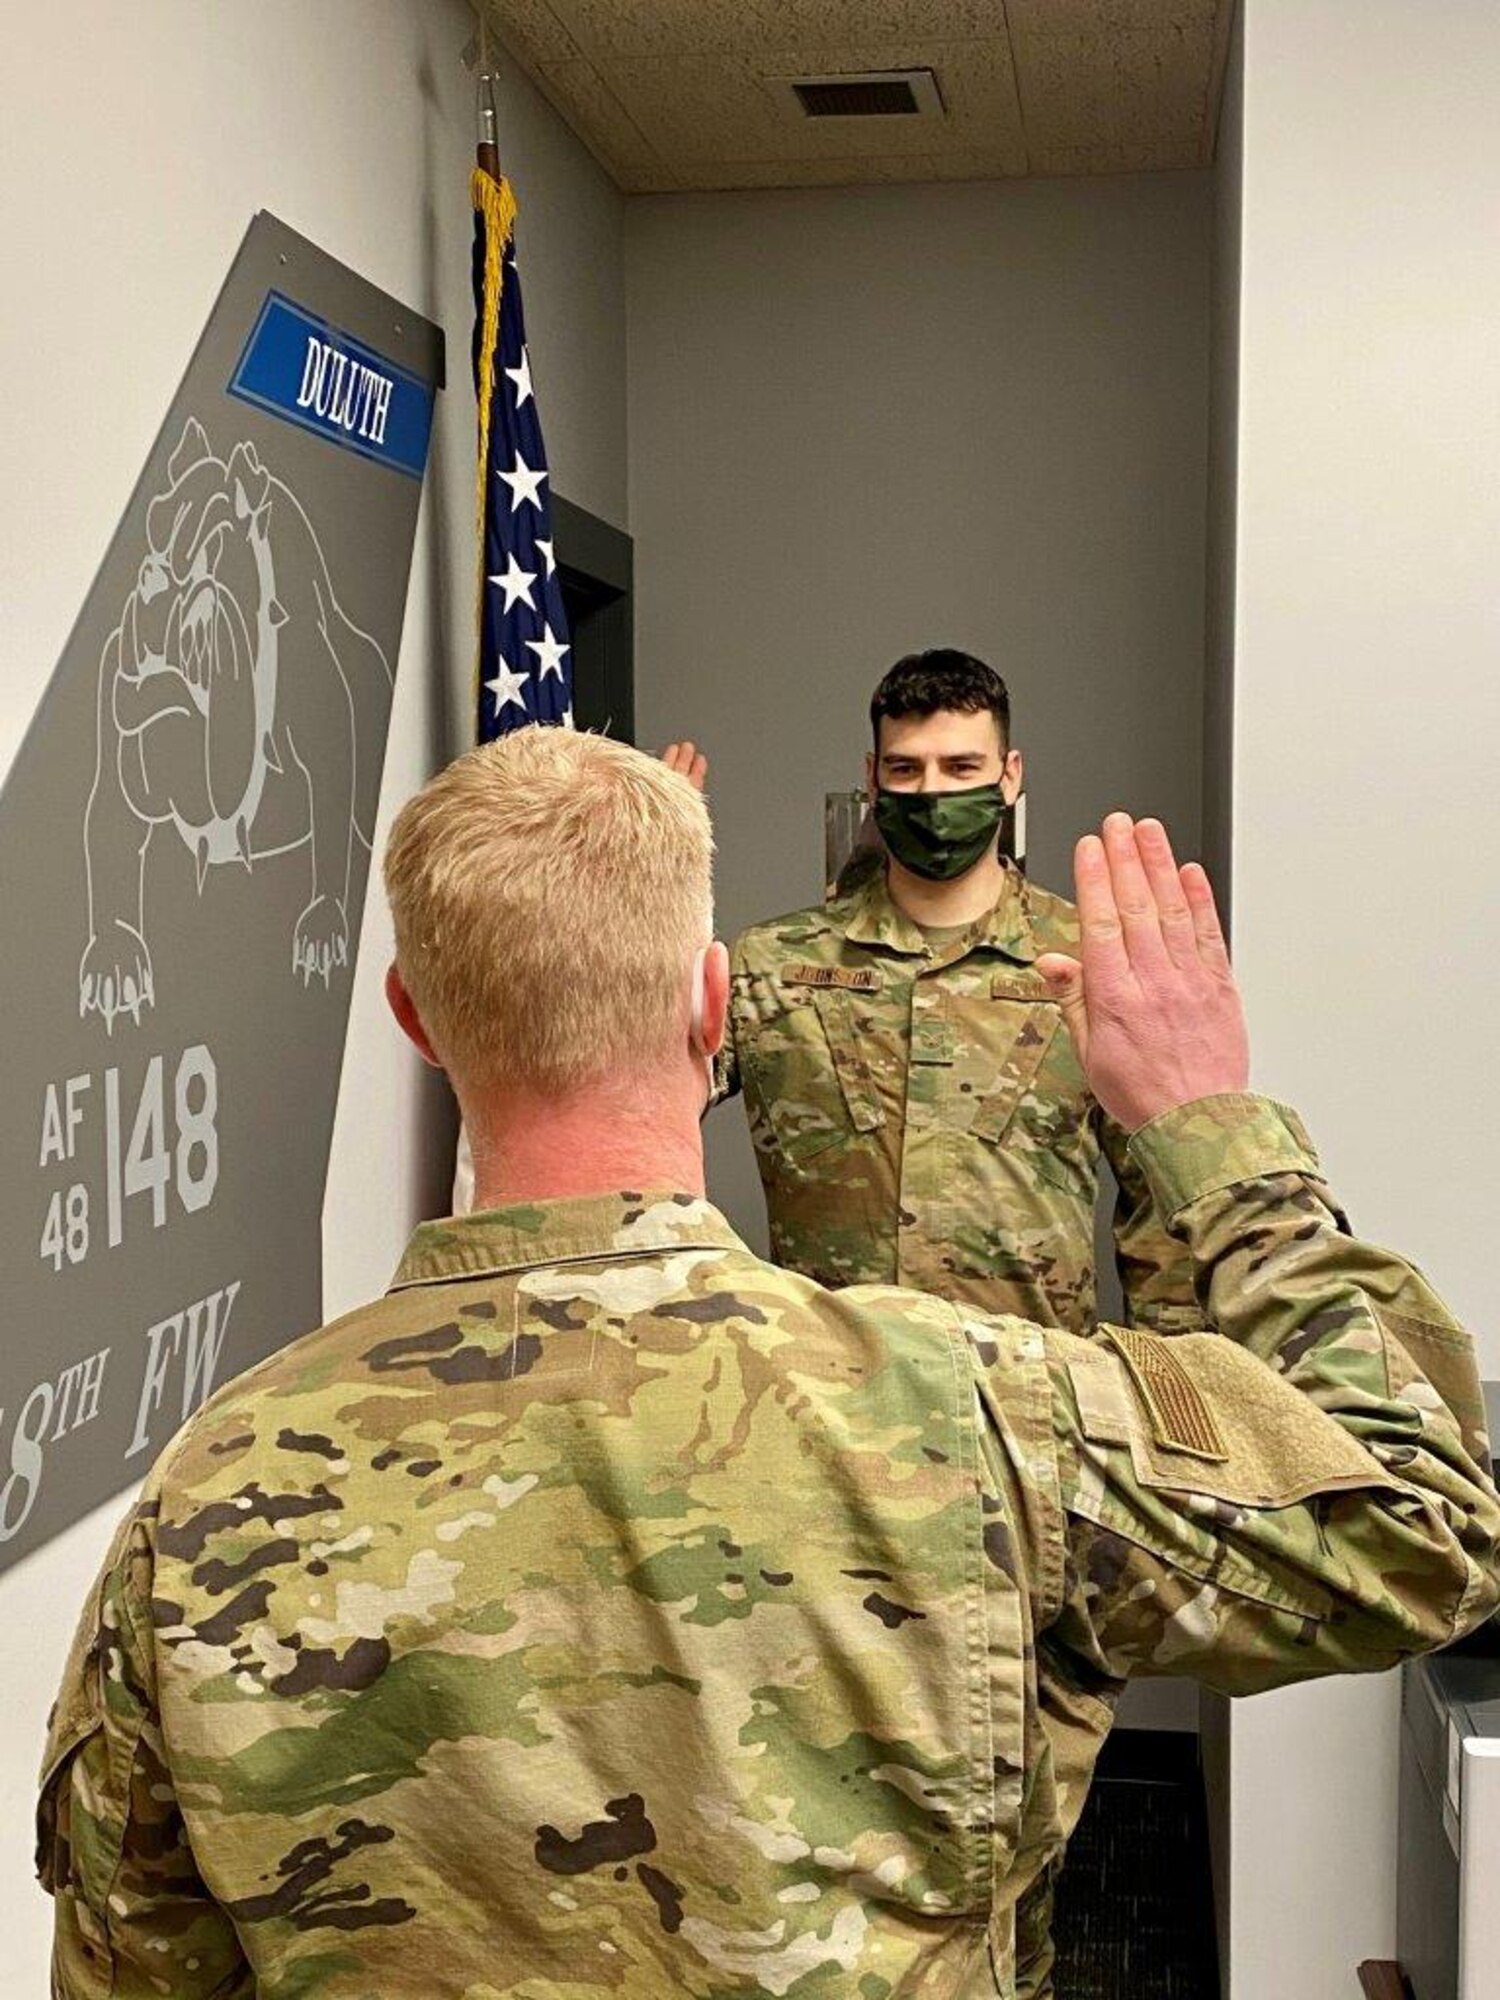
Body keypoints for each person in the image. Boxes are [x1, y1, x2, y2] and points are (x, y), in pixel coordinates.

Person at [38, 727, 1499, 2000]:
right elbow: (1426, 1520)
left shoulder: (199, 1503)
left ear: (414, 1018)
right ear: (717, 1004)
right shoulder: (989, 1419)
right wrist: (1213, 1124)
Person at [667, 649, 1204, 1336]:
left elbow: (1161, 1206)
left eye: (961, 768)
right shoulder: (773, 965)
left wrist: (1166, 1394)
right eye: (905, 769)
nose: (932, 794)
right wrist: (647, 880)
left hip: (1029, 1404)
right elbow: (636, 1090)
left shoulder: (1087, 964)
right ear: (872, 779)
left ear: (1009, 778)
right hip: (829, 1403)